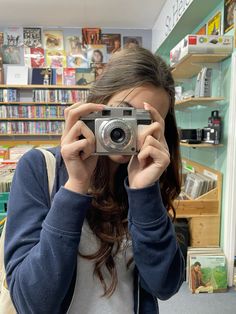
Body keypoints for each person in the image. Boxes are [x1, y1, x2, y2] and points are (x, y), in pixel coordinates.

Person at [5, 46, 184, 314]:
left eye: (144, 121)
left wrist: (144, 192)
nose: (128, 131)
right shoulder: (40, 169)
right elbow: (32, 303)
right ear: (97, 105)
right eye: (123, 113)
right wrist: (75, 186)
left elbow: (165, 286)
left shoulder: (147, 174)